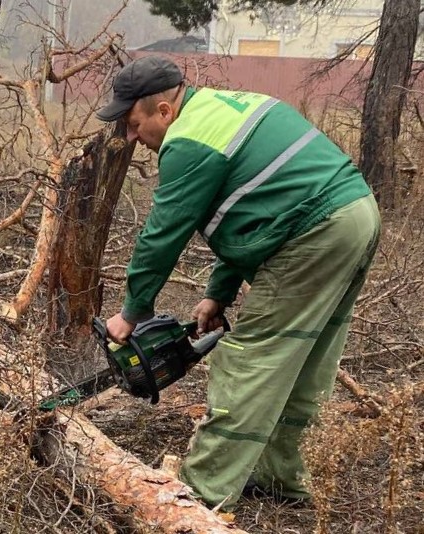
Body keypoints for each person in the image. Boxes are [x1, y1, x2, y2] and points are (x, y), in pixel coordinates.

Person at [96, 55, 380, 510]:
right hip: (354, 214)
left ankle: (201, 493)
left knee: (248, 360)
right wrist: (217, 294)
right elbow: (251, 213)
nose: (130, 137)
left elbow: (164, 232)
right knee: (306, 356)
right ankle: (280, 473)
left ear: (164, 112)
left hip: (317, 228)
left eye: (133, 123)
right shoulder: (224, 107)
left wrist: (133, 312)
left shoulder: (187, 141)